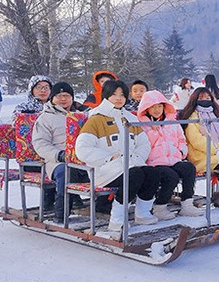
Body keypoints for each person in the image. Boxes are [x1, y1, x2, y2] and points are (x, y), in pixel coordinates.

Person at [75, 79, 160, 231]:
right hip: (105, 170)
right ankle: (117, 220)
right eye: (114, 94)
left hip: (130, 165)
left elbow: (143, 144)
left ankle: (142, 213)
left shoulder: (130, 118)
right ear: (106, 96)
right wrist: (109, 158)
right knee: (134, 175)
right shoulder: (96, 119)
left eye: (122, 95)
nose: (119, 98)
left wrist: (137, 159)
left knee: (152, 173)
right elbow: (82, 148)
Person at [137, 90, 203, 218]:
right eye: (153, 107)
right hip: (155, 163)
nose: (157, 110)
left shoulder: (172, 121)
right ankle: (160, 207)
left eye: (160, 106)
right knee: (171, 176)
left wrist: (182, 151)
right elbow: (144, 145)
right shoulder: (142, 125)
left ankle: (187, 203)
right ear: (146, 108)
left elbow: (181, 139)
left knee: (189, 168)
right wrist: (153, 129)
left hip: (173, 160)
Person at [31, 82, 90, 223]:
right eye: (59, 96)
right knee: (66, 173)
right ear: (52, 98)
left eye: (67, 95)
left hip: (85, 157)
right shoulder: (45, 118)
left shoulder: (83, 115)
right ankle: (61, 215)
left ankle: (104, 208)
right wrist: (59, 155)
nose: (63, 99)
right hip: (58, 160)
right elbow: (40, 143)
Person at [179, 87, 219, 209]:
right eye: (201, 98)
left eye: (208, 98)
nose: (205, 100)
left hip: (218, 152)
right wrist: (218, 150)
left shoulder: (216, 115)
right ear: (195, 99)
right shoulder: (192, 117)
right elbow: (197, 141)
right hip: (201, 155)